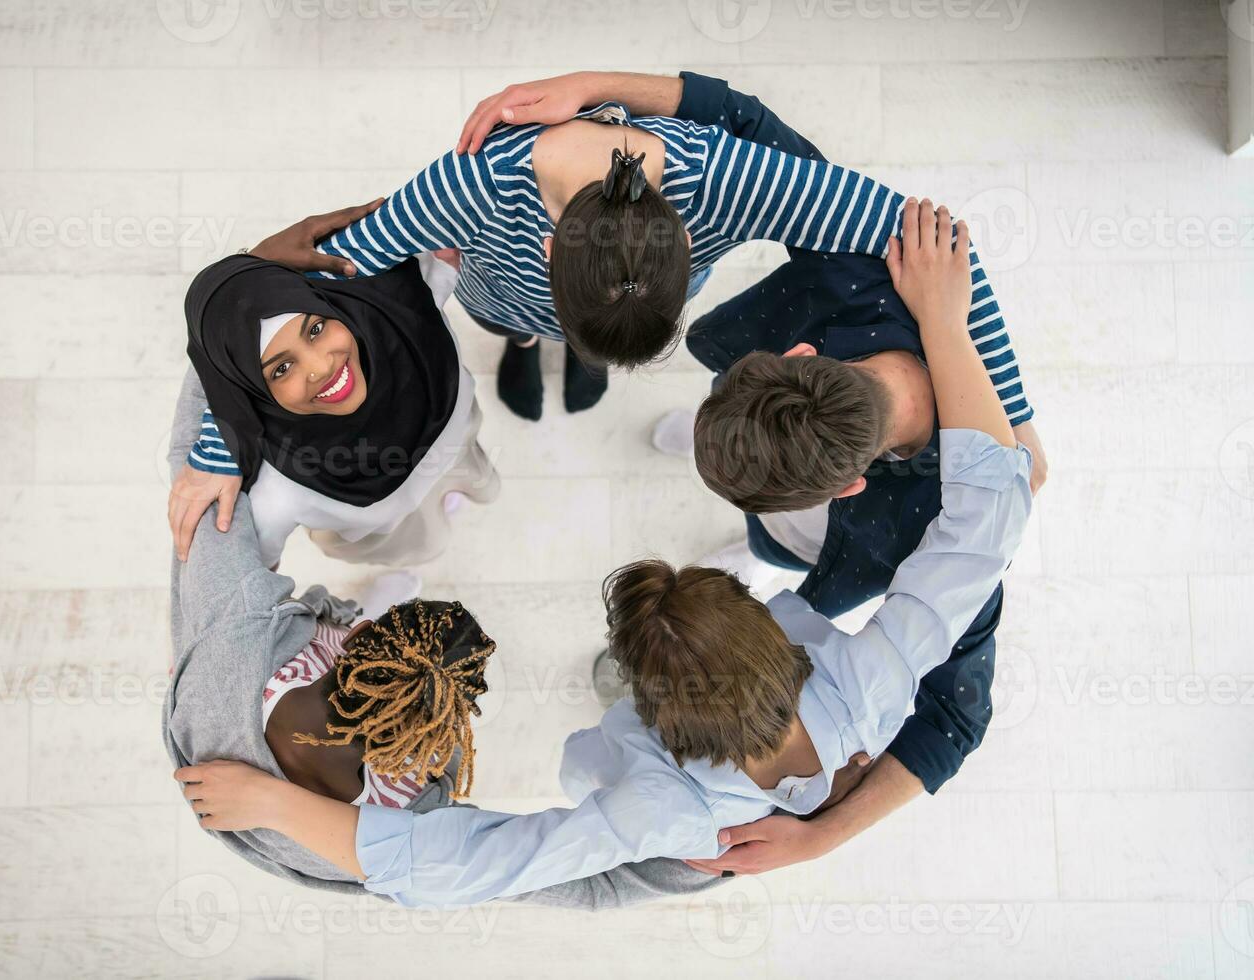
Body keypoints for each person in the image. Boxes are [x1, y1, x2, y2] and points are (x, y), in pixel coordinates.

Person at [174, 199, 1036, 908]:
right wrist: (951, 330)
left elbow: (482, 866)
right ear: (784, 651)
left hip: (374, 827)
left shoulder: (663, 807)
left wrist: (245, 285)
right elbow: (993, 516)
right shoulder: (869, 681)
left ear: (658, 715)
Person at [250, 71, 1031, 429]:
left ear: (684, 240)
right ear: (550, 244)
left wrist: (1012, 416)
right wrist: (221, 444)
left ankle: (585, 346)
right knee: (509, 319)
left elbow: (928, 244)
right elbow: (309, 294)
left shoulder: (733, 175)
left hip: (605, 299)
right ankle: (534, 337)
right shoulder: (462, 189)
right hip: (498, 293)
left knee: (592, 337)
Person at [166, 209, 498, 589]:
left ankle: (448, 494)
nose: (321, 367)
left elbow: (445, 214)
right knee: (424, 537)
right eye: (281, 369)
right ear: (249, 390)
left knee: (467, 482)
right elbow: (254, 581)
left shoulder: (395, 304)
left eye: (316, 328)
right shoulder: (277, 492)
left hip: (458, 454)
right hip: (391, 531)